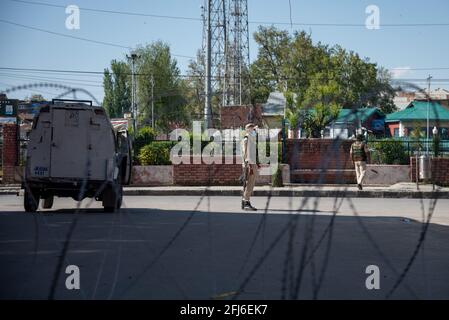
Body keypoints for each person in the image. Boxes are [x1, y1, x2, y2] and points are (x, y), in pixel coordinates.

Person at [240, 123, 260, 210]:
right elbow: (245, 153)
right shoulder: (247, 139)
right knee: (250, 184)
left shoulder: (250, 139)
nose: (255, 132)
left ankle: (245, 201)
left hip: (252, 163)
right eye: (254, 130)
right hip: (250, 164)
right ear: (249, 130)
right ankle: (246, 201)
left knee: (250, 183)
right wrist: (249, 165)